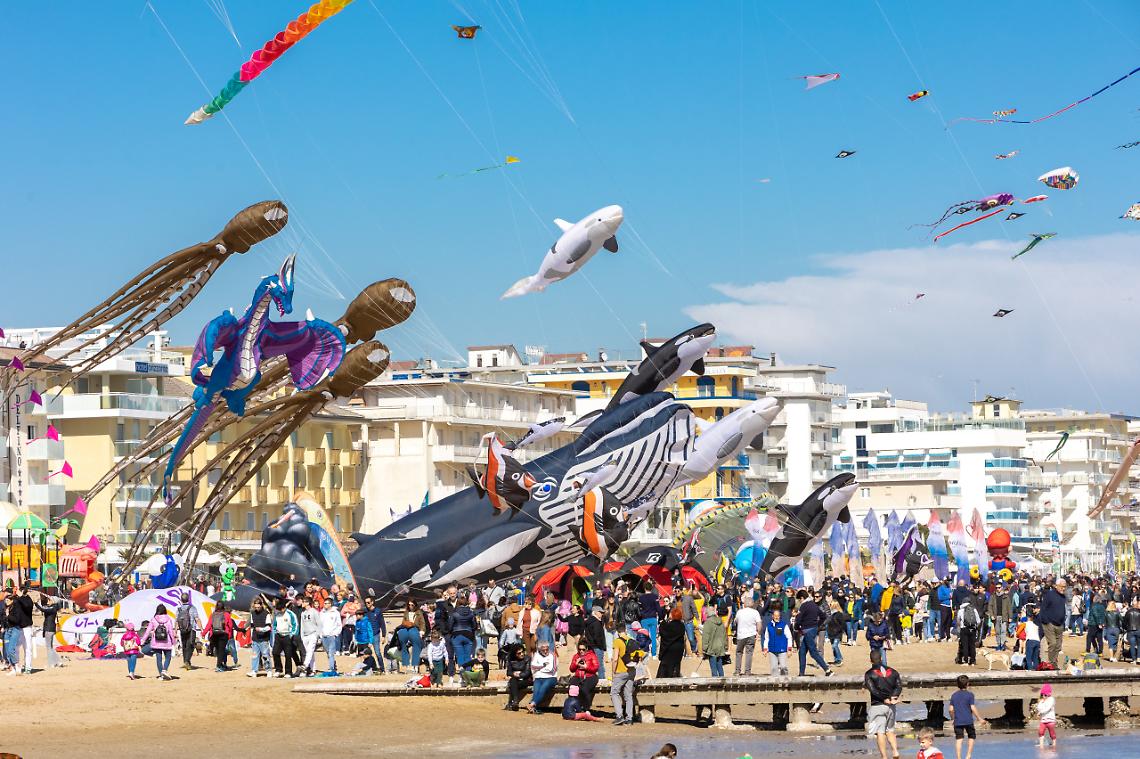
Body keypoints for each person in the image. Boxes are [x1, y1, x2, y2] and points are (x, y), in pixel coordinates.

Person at [864, 648, 903, 759]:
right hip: (891, 706)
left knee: (880, 732)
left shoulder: (869, 674)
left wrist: (884, 699)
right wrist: (893, 698)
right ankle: (895, 751)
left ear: (870, 661)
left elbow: (873, 690)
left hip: (878, 705)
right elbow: (899, 686)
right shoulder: (893, 671)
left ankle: (884, 757)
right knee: (890, 730)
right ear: (881, 659)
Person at [794, 590, 833, 677]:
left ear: (802, 598)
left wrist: (796, 628)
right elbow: (823, 616)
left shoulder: (804, 606)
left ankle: (828, 670)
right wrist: (817, 625)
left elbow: (799, 619)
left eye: (799, 600)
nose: (799, 601)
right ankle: (801, 673)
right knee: (802, 652)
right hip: (813, 630)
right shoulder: (814, 605)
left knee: (813, 652)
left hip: (807, 631)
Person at [611, 626, 643, 725]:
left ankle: (619, 716)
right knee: (628, 695)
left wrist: (613, 672)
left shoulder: (617, 642)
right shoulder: (631, 640)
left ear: (617, 631)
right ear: (625, 630)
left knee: (614, 693)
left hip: (621, 671)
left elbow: (615, 658)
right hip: (632, 670)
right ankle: (629, 718)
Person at [948, 674, 986, 759]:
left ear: (957, 684)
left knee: (959, 739)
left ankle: (958, 757)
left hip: (958, 721)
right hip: (968, 720)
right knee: (971, 736)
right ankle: (968, 755)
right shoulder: (970, 695)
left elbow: (950, 709)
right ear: (968, 684)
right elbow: (972, 707)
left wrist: (953, 719)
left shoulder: (954, 695)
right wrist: (979, 718)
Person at [140, 603, 176, 680]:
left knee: (158, 659)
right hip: (167, 642)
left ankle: (161, 675)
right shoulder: (168, 619)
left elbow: (147, 631)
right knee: (168, 657)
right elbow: (170, 632)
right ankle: (164, 670)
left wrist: (142, 641)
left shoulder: (154, 619)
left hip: (156, 642)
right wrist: (173, 641)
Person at [1038, 579, 1066, 667]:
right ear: (1056, 586)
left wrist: (1063, 622)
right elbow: (1043, 608)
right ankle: (1051, 663)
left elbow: (1062, 609)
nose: (1063, 589)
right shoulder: (1049, 595)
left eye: (1065, 587)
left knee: (1058, 646)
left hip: (1060, 624)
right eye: (1062, 587)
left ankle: (1054, 663)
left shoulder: (1063, 596)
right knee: (1053, 643)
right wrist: (1046, 621)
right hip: (1049, 623)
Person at [526, 640, 558, 713]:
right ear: (540, 650)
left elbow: (552, 669)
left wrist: (539, 669)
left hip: (551, 678)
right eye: (543, 650)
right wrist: (543, 666)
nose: (546, 651)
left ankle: (532, 704)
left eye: (547, 649)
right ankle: (534, 707)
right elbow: (533, 667)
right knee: (536, 690)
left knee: (544, 687)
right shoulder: (536, 655)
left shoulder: (553, 655)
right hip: (539, 677)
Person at [732, 598, 761, 676]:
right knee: (749, 653)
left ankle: (737, 671)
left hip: (741, 635)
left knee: (739, 653)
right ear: (752, 604)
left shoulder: (740, 612)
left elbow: (735, 622)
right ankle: (747, 671)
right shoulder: (755, 612)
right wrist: (758, 632)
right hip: (751, 634)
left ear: (744, 604)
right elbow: (759, 624)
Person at [396, 598, 426, 674]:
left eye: (412, 605)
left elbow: (422, 623)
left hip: (415, 629)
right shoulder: (406, 612)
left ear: (415, 605)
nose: (410, 606)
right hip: (407, 629)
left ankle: (415, 666)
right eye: (409, 605)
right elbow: (403, 622)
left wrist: (422, 631)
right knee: (404, 646)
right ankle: (407, 665)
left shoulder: (419, 612)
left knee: (415, 648)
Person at [271, 599, 299, 678]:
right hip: (279, 636)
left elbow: (295, 625)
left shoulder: (290, 614)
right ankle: (278, 669)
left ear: (284, 607)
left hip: (288, 636)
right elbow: (274, 625)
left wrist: (291, 635)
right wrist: (275, 632)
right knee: (275, 652)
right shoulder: (277, 615)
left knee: (288, 655)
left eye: (281, 609)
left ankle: (288, 672)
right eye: (279, 609)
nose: (280, 611)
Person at [35, 592, 64, 669]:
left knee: (48, 647)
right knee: (50, 647)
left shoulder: (52, 608)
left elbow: (42, 609)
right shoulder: (52, 607)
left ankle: (51, 664)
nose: (48, 600)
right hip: (49, 628)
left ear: (54, 601)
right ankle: (58, 662)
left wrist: (36, 603)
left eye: (50, 599)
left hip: (49, 629)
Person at [9, 586, 34, 675]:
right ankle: (17, 666)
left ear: (23, 591)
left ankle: (28, 667)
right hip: (18, 628)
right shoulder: (17, 599)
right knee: (15, 648)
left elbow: (27, 606)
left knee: (27, 648)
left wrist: (21, 597)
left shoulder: (28, 599)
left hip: (27, 627)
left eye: (19, 590)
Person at [657, 605, 687, 678]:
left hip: (669, 649)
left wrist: (665, 620)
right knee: (676, 666)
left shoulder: (668, 626)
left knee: (665, 667)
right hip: (678, 649)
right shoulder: (682, 626)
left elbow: (662, 631)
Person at [569, 642, 600, 709]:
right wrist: (575, 664)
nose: (581, 651)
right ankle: (574, 707)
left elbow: (596, 668)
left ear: (587, 649)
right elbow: (571, 669)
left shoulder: (592, 655)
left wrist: (586, 667)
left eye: (583, 649)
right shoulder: (576, 656)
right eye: (579, 649)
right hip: (578, 676)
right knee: (572, 688)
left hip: (590, 676)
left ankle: (586, 708)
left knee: (584, 689)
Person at [174, 592, 201, 670]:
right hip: (191, 629)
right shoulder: (192, 608)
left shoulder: (179, 609)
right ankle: (187, 661)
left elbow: (176, 621)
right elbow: (197, 619)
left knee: (184, 645)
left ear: (181, 600)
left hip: (182, 629)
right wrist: (201, 629)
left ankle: (186, 662)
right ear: (188, 599)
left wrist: (175, 630)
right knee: (191, 645)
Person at [248, 597, 273, 677]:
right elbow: (252, 626)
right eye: (255, 607)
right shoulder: (252, 613)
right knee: (255, 656)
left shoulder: (266, 614)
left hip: (264, 639)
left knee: (266, 655)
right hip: (255, 639)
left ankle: (268, 670)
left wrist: (262, 629)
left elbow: (269, 627)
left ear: (261, 605)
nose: (257, 609)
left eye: (258, 607)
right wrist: (251, 638)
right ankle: (254, 671)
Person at [206, 600, 234, 672]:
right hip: (224, 634)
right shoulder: (226, 614)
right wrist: (229, 634)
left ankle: (220, 664)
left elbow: (209, 625)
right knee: (222, 650)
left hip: (214, 634)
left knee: (218, 650)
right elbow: (230, 626)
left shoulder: (213, 615)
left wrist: (203, 633)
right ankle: (219, 666)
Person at [701, 605, 728, 677]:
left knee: (713, 668)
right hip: (720, 647)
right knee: (720, 666)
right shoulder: (721, 621)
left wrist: (704, 649)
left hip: (711, 648)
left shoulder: (708, 622)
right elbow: (724, 635)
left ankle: (715, 683)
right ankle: (722, 681)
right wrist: (725, 646)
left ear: (707, 613)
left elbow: (705, 637)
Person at [318, 596, 343, 675]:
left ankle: (331, 668)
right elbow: (319, 624)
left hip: (331, 636)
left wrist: (335, 634)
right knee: (328, 652)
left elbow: (339, 624)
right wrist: (320, 635)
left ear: (330, 604)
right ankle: (333, 665)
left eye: (326, 603)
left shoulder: (335, 613)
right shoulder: (321, 613)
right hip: (324, 636)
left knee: (331, 653)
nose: (324, 604)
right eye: (324, 603)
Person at [582, 606, 608, 680]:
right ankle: (602, 680)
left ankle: (591, 679)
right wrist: (601, 646)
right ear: (595, 612)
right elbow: (597, 637)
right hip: (597, 647)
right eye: (600, 612)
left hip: (591, 646)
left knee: (591, 664)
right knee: (599, 664)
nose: (602, 614)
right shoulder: (596, 623)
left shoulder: (589, 621)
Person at [504, 645, 531, 711]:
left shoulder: (527, 658)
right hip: (515, 680)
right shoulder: (510, 660)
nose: (522, 654)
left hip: (526, 680)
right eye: (519, 653)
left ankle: (512, 702)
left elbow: (527, 673)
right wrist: (513, 674)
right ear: (514, 654)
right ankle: (515, 701)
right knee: (513, 681)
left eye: (523, 652)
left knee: (513, 685)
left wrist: (519, 675)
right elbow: (508, 672)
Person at [765, 608, 790, 676]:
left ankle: (785, 682)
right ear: (772, 616)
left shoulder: (784, 625)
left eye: (778, 615)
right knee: (774, 668)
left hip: (782, 649)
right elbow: (766, 638)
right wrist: (765, 649)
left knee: (783, 667)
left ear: (780, 616)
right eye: (775, 615)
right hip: (772, 650)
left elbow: (789, 637)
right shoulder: (769, 625)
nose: (776, 617)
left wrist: (789, 649)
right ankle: (775, 684)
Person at [638, 585, 661, 657]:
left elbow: (639, 609)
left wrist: (641, 615)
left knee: (645, 636)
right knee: (653, 636)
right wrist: (661, 616)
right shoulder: (655, 597)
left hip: (644, 618)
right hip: (653, 618)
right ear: (651, 588)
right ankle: (654, 654)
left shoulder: (641, 598)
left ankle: (646, 651)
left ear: (644, 588)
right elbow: (658, 608)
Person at [956, 600, 980, 666]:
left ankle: (966, 661)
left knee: (965, 645)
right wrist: (975, 627)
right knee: (972, 646)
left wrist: (960, 627)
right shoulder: (974, 609)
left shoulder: (961, 610)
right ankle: (973, 661)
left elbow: (958, 620)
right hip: (973, 629)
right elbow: (978, 621)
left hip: (964, 629)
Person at [1036, 683, 1057, 747]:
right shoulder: (1042, 701)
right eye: (1042, 695)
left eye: (1045, 695)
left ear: (1048, 694)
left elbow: (1048, 708)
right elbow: (1038, 707)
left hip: (1050, 720)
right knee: (1040, 732)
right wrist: (1042, 702)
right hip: (1043, 720)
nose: (1043, 696)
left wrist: (1041, 712)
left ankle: (1054, 744)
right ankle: (1041, 745)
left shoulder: (1051, 699)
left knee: (1052, 733)